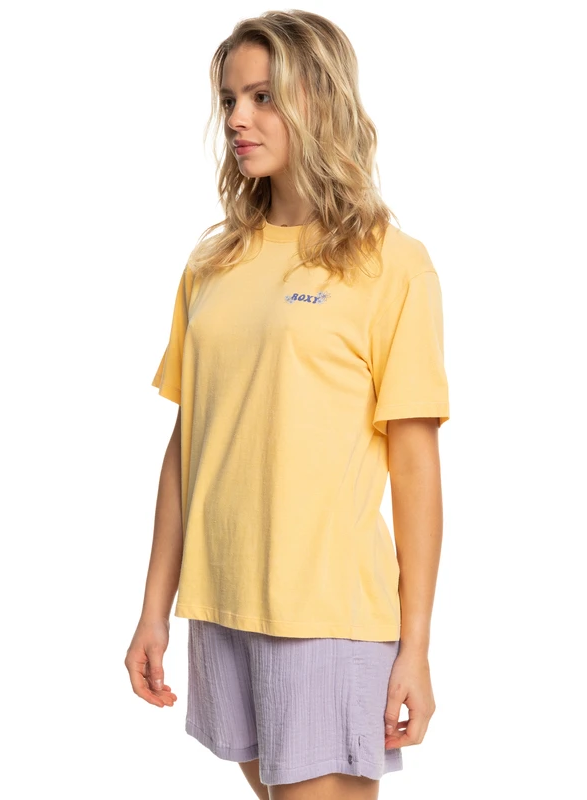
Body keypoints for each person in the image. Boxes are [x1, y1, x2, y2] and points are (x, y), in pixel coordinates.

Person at [125, 10, 450, 800]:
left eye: (263, 96)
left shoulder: (390, 264)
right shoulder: (213, 264)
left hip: (326, 613)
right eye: (230, 99)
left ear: (320, 100)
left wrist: (415, 646)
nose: (238, 118)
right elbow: (189, 443)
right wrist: (153, 608)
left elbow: (414, 467)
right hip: (222, 601)